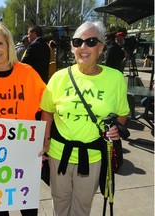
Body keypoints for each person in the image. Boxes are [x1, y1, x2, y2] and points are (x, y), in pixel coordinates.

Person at [39, 21, 129, 216]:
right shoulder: (59, 77)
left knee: (82, 207)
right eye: (78, 42)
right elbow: (47, 111)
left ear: (101, 47)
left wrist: (115, 128)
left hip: (93, 156)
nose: (83, 47)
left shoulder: (116, 79)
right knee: (59, 204)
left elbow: (122, 113)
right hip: (58, 154)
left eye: (90, 41)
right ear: (72, 47)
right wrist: (45, 141)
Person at [0, 22, 46, 216]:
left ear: (8, 44)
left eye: (0, 43)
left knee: (28, 210)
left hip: (25, 153)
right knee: (0, 210)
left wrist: (45, 138)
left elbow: (48, 108)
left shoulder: (28, 74)